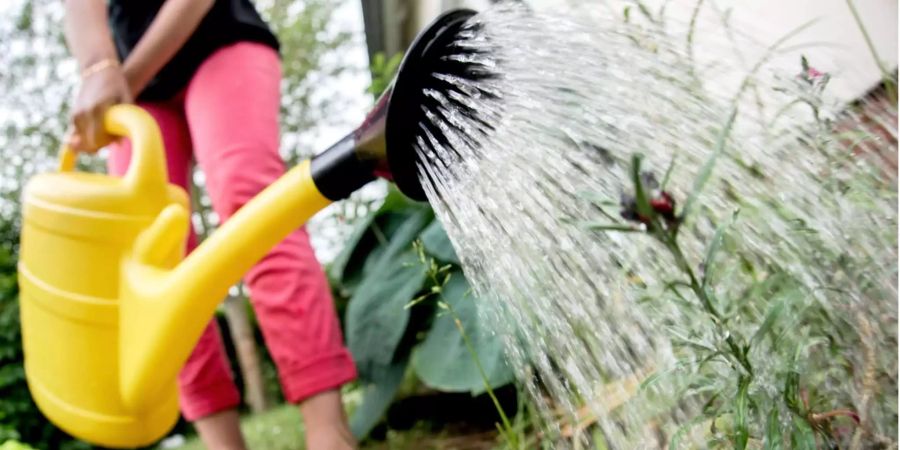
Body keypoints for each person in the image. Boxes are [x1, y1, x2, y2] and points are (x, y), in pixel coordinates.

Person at [62, 1, 358, 448]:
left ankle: (327, 432)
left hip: (219, 38)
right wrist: (96, 70)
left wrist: (123, 77)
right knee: (152, 257)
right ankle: (221, 443)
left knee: (253, 206)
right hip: (134, 92)